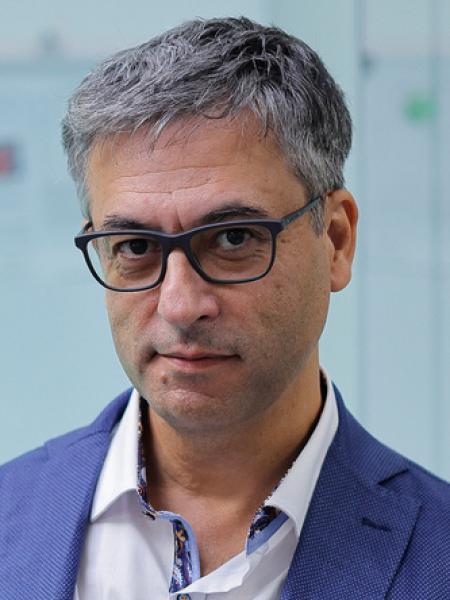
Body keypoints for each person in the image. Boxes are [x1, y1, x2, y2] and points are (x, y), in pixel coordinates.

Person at [0, 17, 449, 600]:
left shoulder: (437, 554)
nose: (181, 305)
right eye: (134, 247)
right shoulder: (12, 516)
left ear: (336, 241)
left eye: (234, 239)